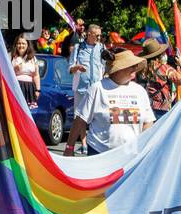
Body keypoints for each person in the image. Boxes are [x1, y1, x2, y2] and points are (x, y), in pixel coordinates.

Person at [63, 49, 154, 156]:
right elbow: (80, 120)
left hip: (131, 156)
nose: (135, 68)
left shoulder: (140, 91)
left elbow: (148, 121)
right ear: (118, 69)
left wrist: (143, 143)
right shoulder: (98, 89)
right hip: (100, 154)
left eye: (135, 65)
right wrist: (70, 147)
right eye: (131, 65)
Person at [68, 23, 106, 152]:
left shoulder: (101, 48)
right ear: (89, 34)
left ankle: (92, 143)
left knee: (97, 115)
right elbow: (70, 68)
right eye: (97, 35)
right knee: (80, 116)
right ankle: (83, 143)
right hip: (81, 87)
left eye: (100, 35)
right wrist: (77, 67)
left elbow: (106, 67)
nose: (99, 38)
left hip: (97, 87)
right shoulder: (78, 47)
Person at [10, 34, 41, 107]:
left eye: (23, 43)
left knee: (27, 111)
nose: (21, 46)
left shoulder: (33, 58)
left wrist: (38, 90)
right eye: (19, 43)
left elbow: (36, 75)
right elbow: (7, 73)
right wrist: (15, 69)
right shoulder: (12, 57)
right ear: (16, 45)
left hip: (29, 88)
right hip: (16, 87)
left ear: (27, 45)